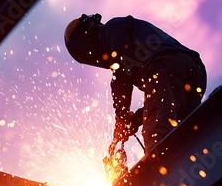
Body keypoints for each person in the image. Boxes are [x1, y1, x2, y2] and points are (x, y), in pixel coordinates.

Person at [64, 13, 207, 153]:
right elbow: (162, 98)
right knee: (185, 133)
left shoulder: (112, 28)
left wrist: (121, 118)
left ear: (86, 36)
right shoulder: (129, 44)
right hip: (193, 72)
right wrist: (136, 119)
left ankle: (164, 173)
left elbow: (120, 75)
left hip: (166, 65)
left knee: (156, 133)